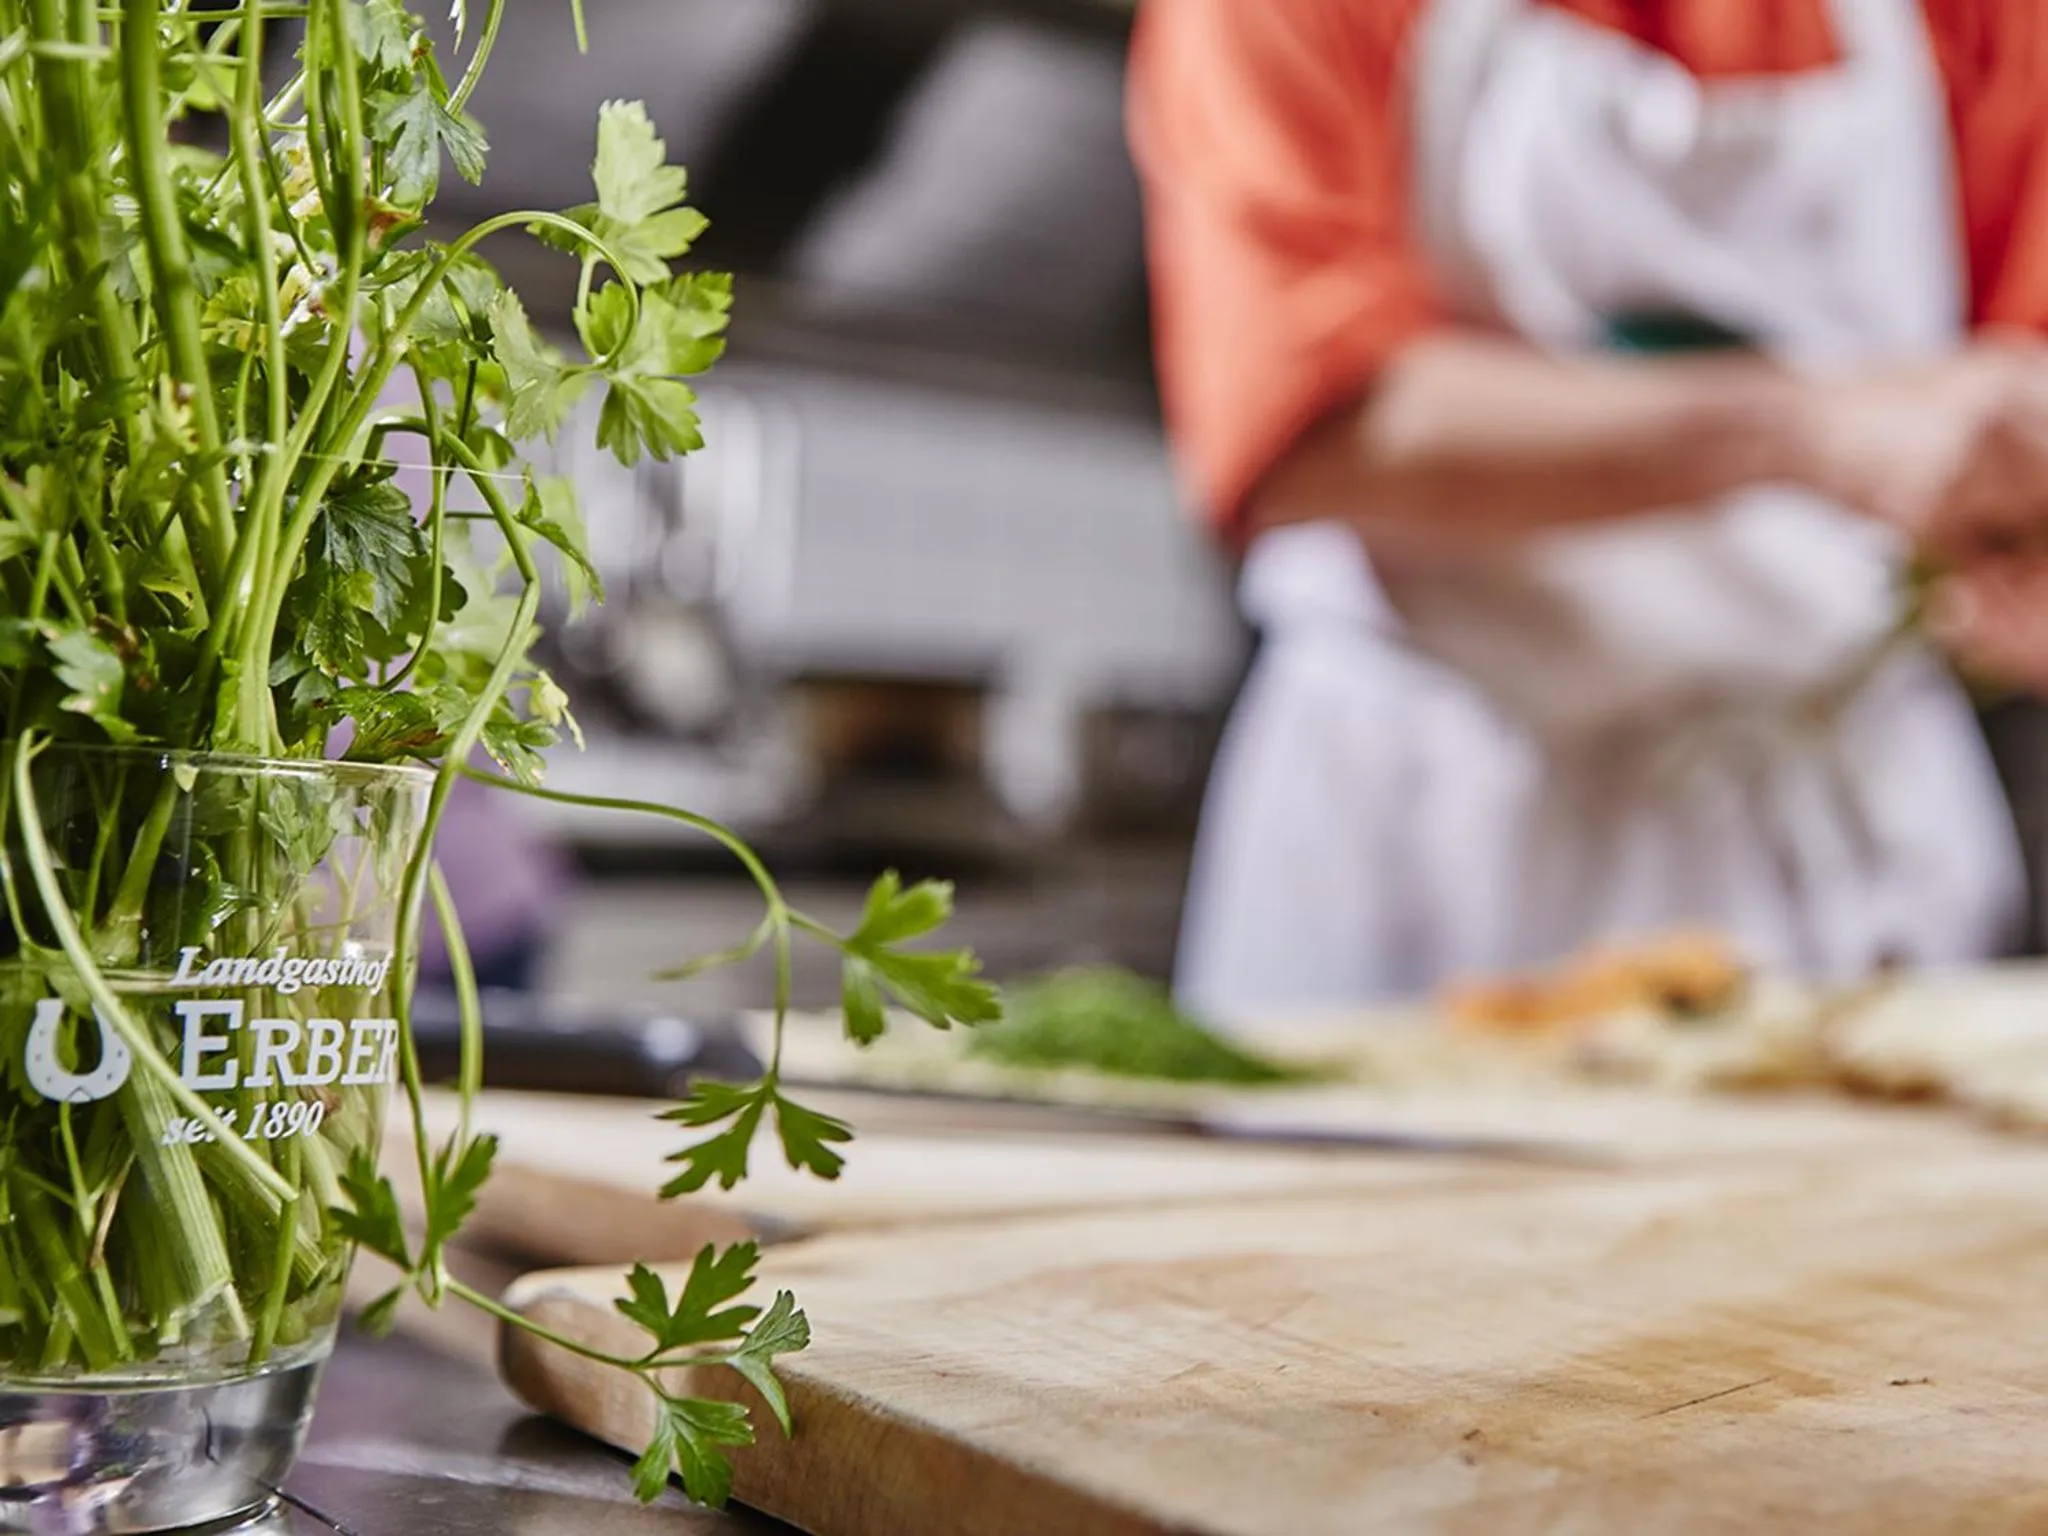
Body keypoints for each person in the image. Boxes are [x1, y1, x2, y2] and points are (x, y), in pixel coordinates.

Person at [1130, 0, 2048, 1015]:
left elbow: (2013, 415)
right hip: (1433, 823)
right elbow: (1299, 432)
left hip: (1848, 820)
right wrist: (1806, 430)